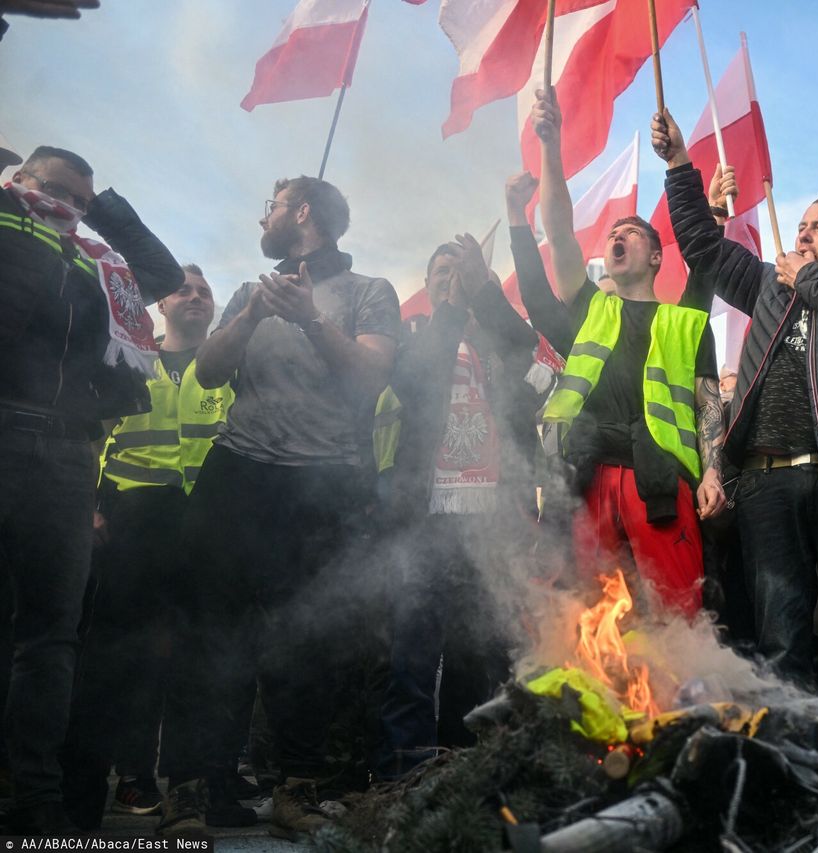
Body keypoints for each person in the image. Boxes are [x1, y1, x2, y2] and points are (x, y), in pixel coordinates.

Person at [652, 110, 818, 760]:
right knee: (781, 637)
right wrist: (679, 168)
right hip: (767, 481)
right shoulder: (772, 285)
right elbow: (705, 250)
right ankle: (795, 771)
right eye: (799, 227)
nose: (800, 233)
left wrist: (808, 276)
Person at [158, 176, 400, 841]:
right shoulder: (248, 292)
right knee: (211, 631)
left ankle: (297, 786)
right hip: (238, 475)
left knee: (309, 638)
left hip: (325, 486)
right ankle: (193, 786)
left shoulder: (370, 292)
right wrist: (252, 314)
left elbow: (369, 377)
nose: (260, 217)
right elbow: (207, 372)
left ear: (301, 213)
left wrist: (310, 318)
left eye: (270, 205)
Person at [0, 145, 183, 834]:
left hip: (65, 456)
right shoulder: (7, 223)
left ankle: (37, 805)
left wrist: (100, 208)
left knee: (49, 638)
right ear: (18, 183)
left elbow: (161, 273)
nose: (67, 209)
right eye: (55, 192)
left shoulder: (94, 261)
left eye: (80, 201)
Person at [516, 91, 725, 618]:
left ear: (655, 256)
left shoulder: (686, 319)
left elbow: (708, 402)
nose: (616, 235)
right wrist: (550, 146)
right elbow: (560, 231)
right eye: (612, 233)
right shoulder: (589, 309)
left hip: (661, 481)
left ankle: (681, 697)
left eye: (629, 232)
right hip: (586, 472)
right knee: (586, 618)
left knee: (676, 616)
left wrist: (713, 473)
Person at [61, 265, 233, 829]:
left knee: (196, 661)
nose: (195, 297)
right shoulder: (131, 361)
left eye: (205, 292)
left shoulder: (230, 370)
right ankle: (80, 796)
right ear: (161, 304)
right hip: (131, 524)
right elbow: (87, 432)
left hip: (206, 528)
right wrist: (88, 503)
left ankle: (186, 793)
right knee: (112, 659)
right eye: (184, 288)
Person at [376, 233, 540, 778]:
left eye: (459, 272)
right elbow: (415, 379)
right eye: (440, 274)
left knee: (479, 649)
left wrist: (483, 293)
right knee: (415, 651)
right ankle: (407, 770)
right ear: (426, 288)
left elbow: (524, 345)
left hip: (489, 519)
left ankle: (466, 768)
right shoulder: (411, 338)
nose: (452, 282)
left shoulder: (498, 348)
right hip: (426, 517)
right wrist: (451, 304)